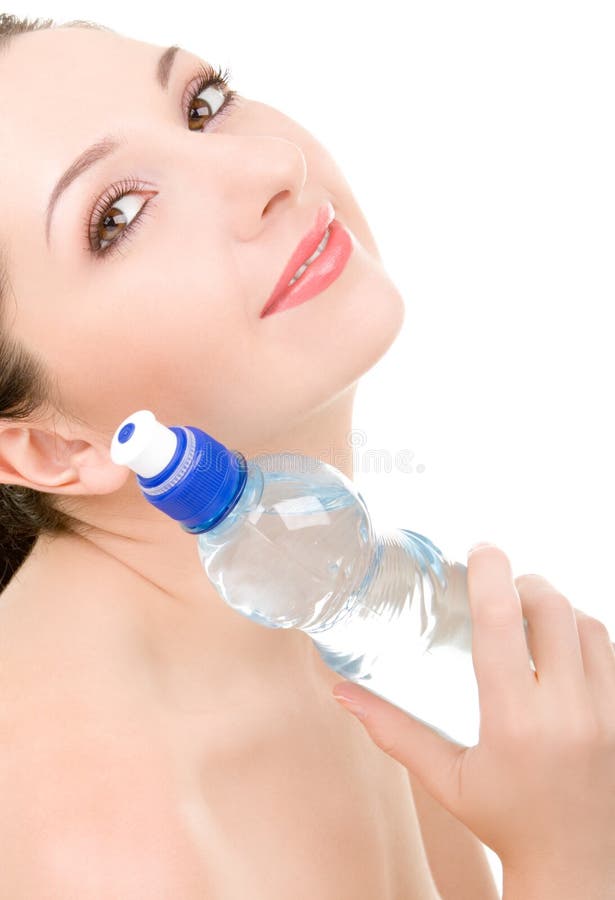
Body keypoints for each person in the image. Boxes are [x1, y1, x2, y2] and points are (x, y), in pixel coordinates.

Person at [0, 13, 609, 899]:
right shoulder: (86, 838)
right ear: (52, 447)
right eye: (120, 214)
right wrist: (570, 861)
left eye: (203, 105)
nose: (270, 168)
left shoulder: (329, 628)